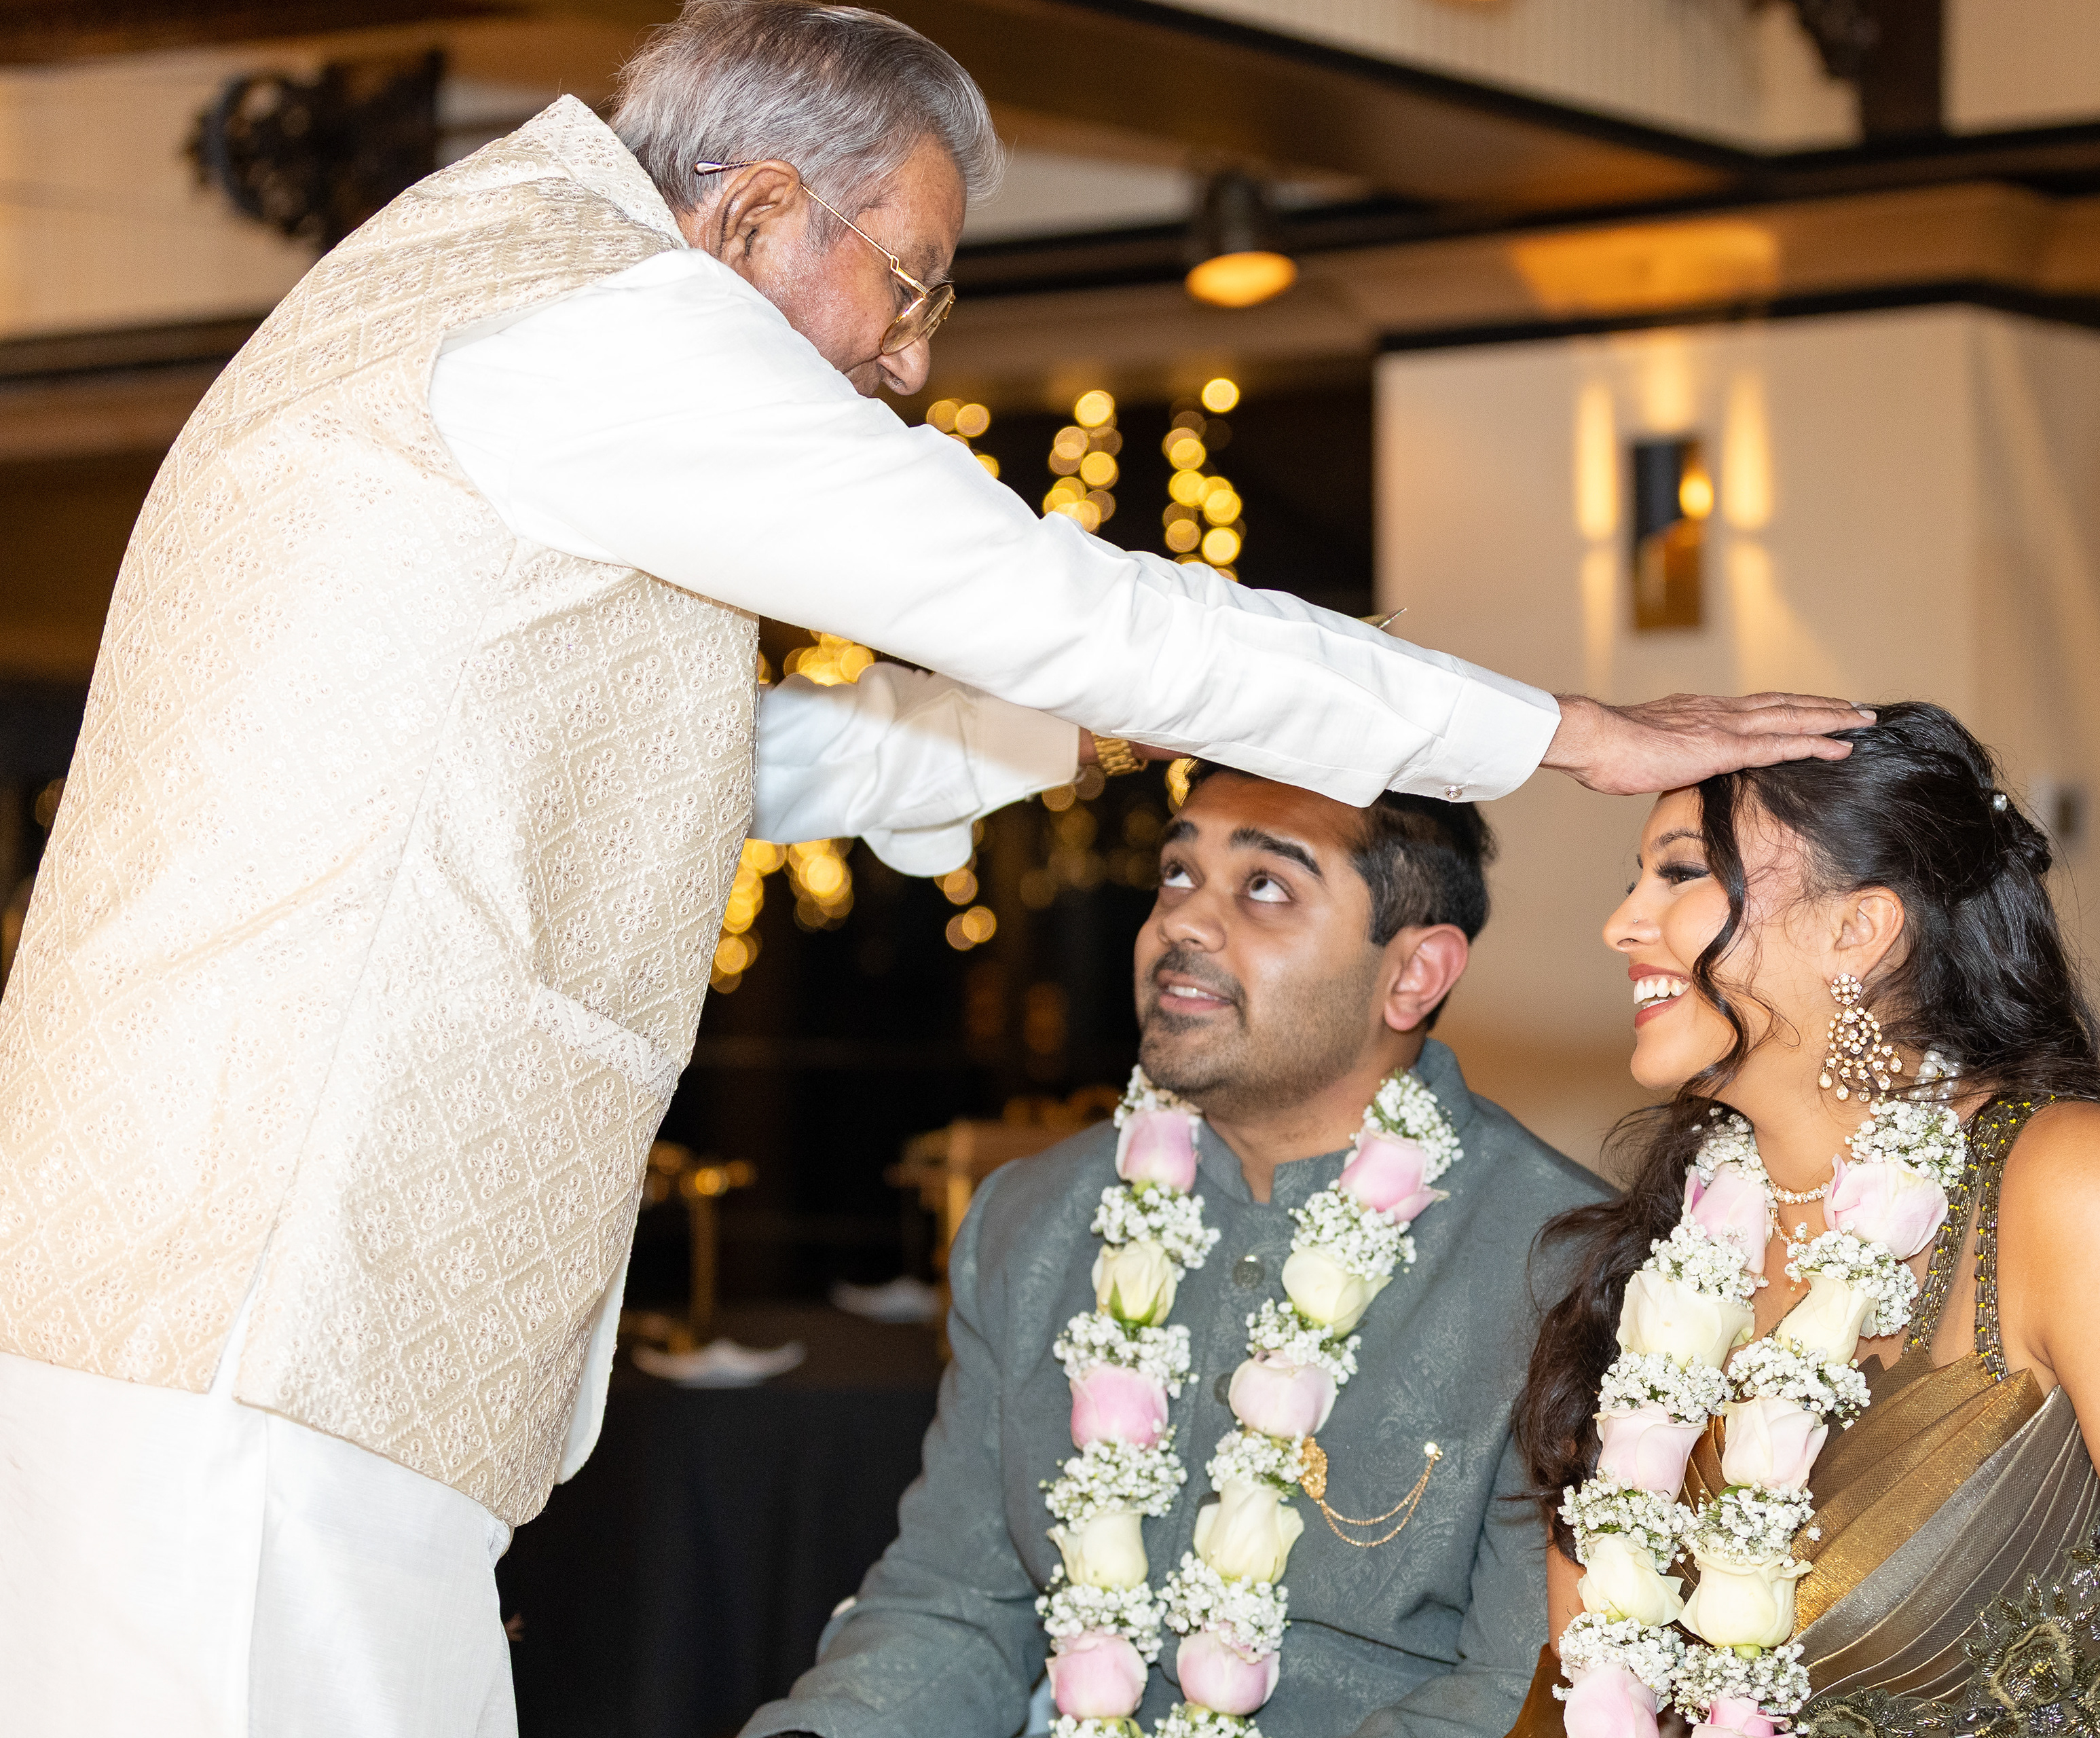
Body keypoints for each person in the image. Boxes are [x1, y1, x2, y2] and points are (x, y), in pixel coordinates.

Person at [0, 4, 1867, 1733]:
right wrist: (1567, 731)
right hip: (253, 1307)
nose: (907, 361)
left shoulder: (479, 295)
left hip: (216, 1303)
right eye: (907, 284)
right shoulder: (603, 322)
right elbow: (1053, 600)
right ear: (753, 213)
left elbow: (696, 766)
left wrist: (1079, 732)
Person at [1505, 703, 2100, 1737]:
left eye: (1682, 873)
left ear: (1858, 930)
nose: (1623, 924)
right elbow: (1584, 1682)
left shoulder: (2079, 1189)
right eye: (1637, 879)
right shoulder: (1669, 1252)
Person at [741, 763, 1608, 1738]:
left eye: (1266, 886)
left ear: (1412, 974)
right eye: (1177, 873)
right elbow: (957, 1607)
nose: (1182, 922)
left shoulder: (1566, 1268)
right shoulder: (1035, 1222)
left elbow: (1512, 1695)